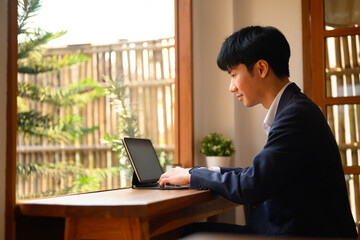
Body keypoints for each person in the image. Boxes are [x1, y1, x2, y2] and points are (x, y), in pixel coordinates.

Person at [159, 26, 358, 238]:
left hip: (302, 234)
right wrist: (200, 173)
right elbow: (260, 174)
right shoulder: (294, 108)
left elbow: (252, 185)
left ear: (261, 68)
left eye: (234, 75)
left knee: (188, 234)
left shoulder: (295, 115)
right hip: (294, 230)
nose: (231, 87)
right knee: (192, 231)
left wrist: (193, 175)